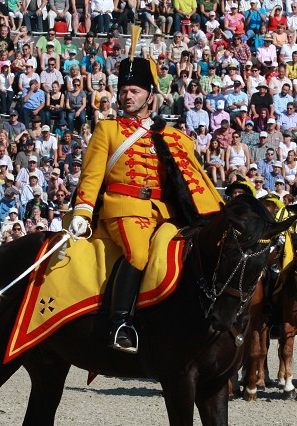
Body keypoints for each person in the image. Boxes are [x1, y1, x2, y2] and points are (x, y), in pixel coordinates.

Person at [71, 49, 222, 353]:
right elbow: (92, 175)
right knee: (139, 254)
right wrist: (83, 211)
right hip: (123, 208)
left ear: (150, 96)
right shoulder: (108, 129)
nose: (127, 96)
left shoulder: (171, 136)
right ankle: (120, 324)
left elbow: (189, 180)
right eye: (124, 90)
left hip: (162, 213)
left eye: (134, 91)